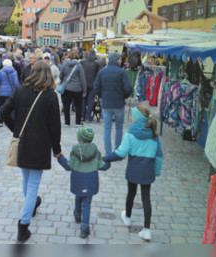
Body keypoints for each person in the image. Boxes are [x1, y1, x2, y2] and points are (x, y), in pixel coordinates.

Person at [0, 61, 61, 243]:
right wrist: (56, 149)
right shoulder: (51, 96)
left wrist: (16, 130)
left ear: (32, 72)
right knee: (32, 185)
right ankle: (23, 225)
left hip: (23, 142)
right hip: (40, 145)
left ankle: (31, 205)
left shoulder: (20, 90)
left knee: (27, 180)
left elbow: (3, 112)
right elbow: (55, 127)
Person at [103, 103, 164, 242]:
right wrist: (156, 171)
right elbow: (159, 155)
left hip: (133, 170)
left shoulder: (130, 133)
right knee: (146, 198)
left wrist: (105, 157)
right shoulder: (154, 134)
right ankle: (147, 230)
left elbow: (120, 153)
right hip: (147, 171)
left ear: (136, 117)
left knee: (131, 193)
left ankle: (128, 217)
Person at [56, 127, 110, 238]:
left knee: (78, 195)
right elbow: (103, 166)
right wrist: (109, 160)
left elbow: (68, 166)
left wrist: (60, 157)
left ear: (79, 139)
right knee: (87, 203)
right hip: (91, 180)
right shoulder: (95, 151)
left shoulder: (75, 150)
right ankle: (84, 227)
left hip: (78, 179)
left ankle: (77, 213)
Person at [93, 52, 132, 154]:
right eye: (120, 59)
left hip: (106, 103)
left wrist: (103, 95)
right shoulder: (122, 72)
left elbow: (96, 88)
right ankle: (118, 150)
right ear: (117, 60)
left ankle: (108, 152)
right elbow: (128, 88)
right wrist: (124, 95)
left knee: (107, 128)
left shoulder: (102, 72)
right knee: (119, 127)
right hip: (119, 103)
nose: (121, 61)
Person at [59, 51, 87, 127]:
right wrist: (84, 90)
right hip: (77, 89)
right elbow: (82, 79)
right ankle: (77, 122)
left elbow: (60, 75)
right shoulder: (79, 66)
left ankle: (67, 122)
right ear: (77, 57)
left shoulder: (64, 65)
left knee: (67, 106)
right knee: (78, 106)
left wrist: (63, 80)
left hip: (67, 88)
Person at [0, 59, 20, 127]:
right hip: (11, 92)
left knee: (1, 107)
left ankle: (1, 121)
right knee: (11, 107)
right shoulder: (14, 72)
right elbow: (16, 82)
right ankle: (11, 120)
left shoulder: (1, 71)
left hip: (2, 92)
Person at [80, 49, 100, 123]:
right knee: (91, 101)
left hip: (83, 84)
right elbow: (98, 75)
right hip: (92, 84)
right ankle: (88, 117)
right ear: (94, 54)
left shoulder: (83, 62)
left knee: (83, 100)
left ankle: (82, 116)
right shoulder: (96, 63)